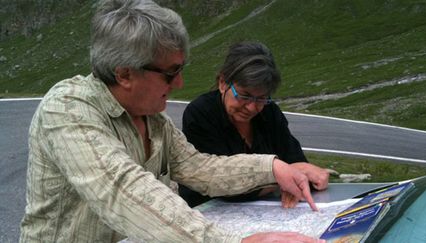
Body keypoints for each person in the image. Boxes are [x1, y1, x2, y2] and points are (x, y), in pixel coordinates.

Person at [19, 1, 325, 243]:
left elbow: (199, 168)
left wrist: (271, 167)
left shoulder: (153, 117)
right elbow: (123, 190)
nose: (179, 84)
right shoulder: (68, 109)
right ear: (124, 73)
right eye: (170, 72)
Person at [180, 41, 329, 207]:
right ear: (223, 83)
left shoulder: (269, 111)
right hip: (209, 211)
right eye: (244, 95)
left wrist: (305, 173)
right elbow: (221, 185)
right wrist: (281, 175)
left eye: (261, 98)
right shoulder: (200, 113)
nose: (252, 107)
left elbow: (297, 163)